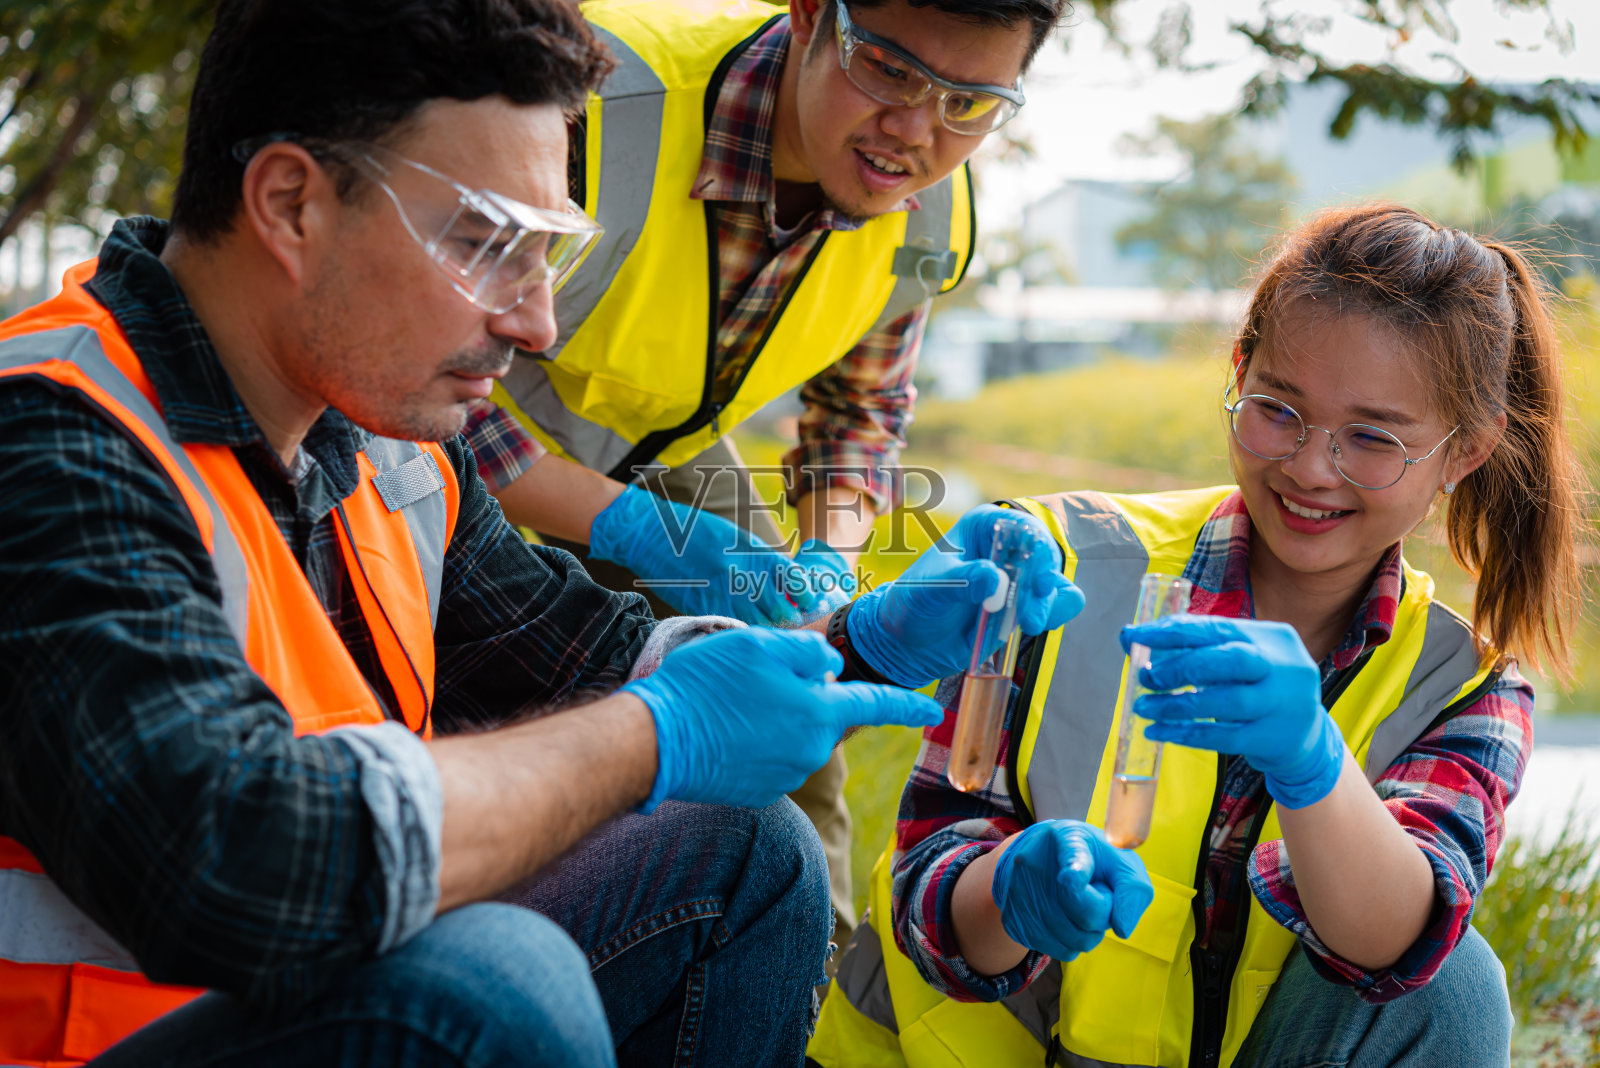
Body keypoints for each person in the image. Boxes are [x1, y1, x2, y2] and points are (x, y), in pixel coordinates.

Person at [0, 2, 1085, 1066]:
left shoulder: (386, 447)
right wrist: (652, 734)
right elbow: (238, 866)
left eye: (547, 253)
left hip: (297, 998)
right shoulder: (49, 437)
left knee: (751, 852)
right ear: (291, 204)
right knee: (486, 981)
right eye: (488, 243)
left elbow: (592, 657)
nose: (536, 323)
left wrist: (860, 643)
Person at [809, 203, 1585, 1068]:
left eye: (1372, 438)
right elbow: (932, 893)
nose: (1309, 465)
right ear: (1239, 370)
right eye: (1278, 409)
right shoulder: (1056, 565)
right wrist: (1010, 894)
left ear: (1464, 453)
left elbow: (1396, 944)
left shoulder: (1463, 687)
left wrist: (1312, 762)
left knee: (1458, 984)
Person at [465, 0, 1066, 942]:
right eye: (891, 72)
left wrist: (826, 572)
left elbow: (858, 419)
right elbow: (419, 396)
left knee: (795, 681)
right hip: (463, 417)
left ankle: (799, 962)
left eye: (970, 102)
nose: (915, 131)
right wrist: (634, 527)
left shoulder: (928, 211)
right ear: (809, 17)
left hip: (648, 444)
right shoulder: (596, 104)